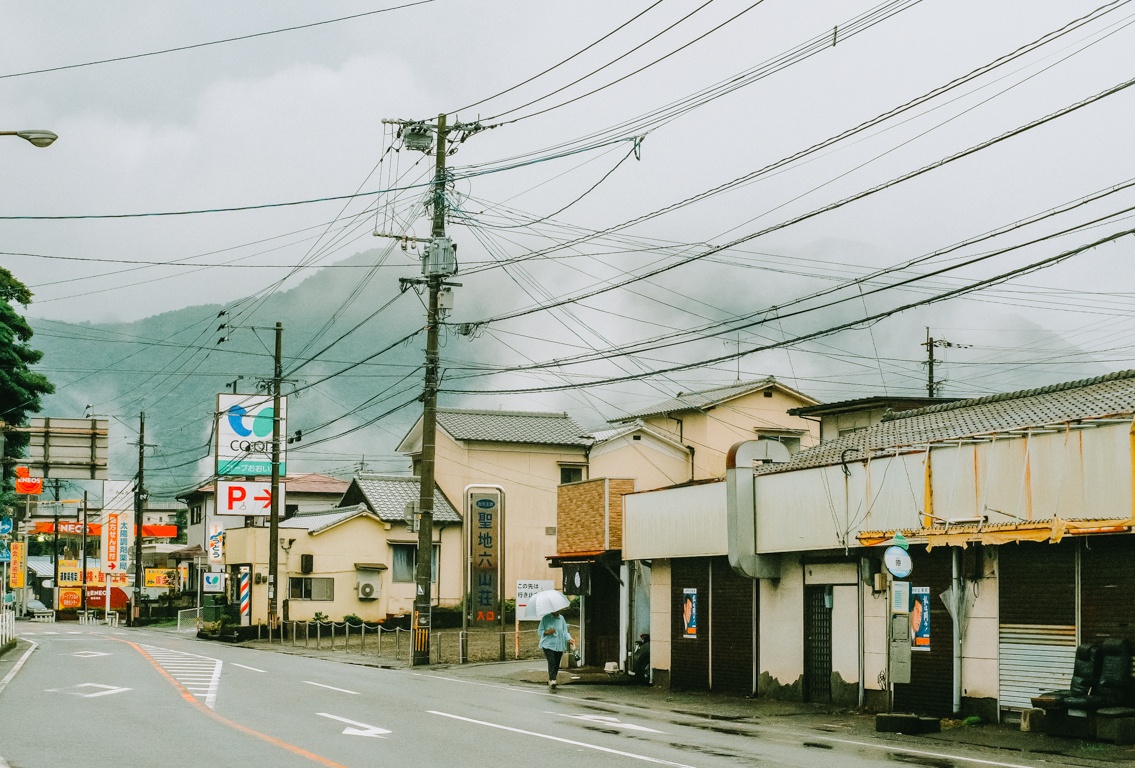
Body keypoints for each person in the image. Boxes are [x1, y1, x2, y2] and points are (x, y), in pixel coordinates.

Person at [537, 608, 574, 689]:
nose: (557, 611)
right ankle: (552, 679)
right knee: (552, 661)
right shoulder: (545, 618)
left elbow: (565, 631)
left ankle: (553, 677)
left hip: (559, 644)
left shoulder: (561, 618)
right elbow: (540, 631)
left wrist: (569, 638)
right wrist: (548, 632)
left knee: (557, 662)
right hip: (548, 644)